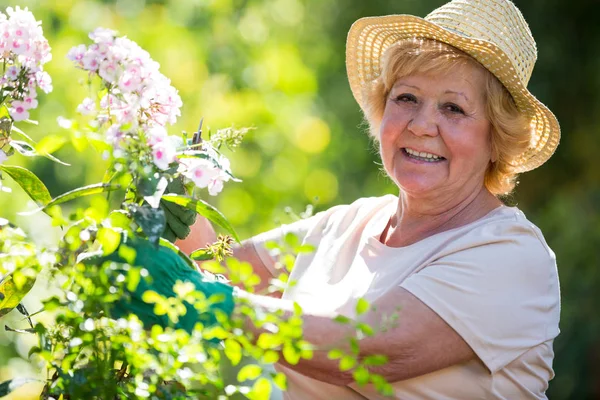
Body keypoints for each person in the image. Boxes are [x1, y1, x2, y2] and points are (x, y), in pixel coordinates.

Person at [117, 0, 562, 398]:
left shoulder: (511, 254)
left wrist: (206, 299)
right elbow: (222, 272)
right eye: (406, 98)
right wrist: (172, 198)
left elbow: (369, 351)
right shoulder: (350, 223)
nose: (422, 125)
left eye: (454, 108)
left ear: (497, 139)